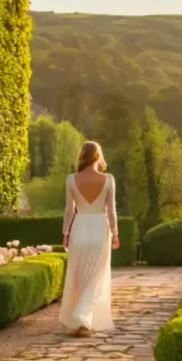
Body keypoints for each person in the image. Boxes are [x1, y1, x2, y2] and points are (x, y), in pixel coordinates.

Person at [59, 141, 120, 337]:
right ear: (97, 156)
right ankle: (82, 316)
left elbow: (69, 210)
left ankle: (79, 318)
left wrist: (66, 233)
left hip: (79, 228)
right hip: (100, 229)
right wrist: (115, 233)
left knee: (78, 275)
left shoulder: (71, 179)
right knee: (96, 275)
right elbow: (111, 211)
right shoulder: (108, 179)